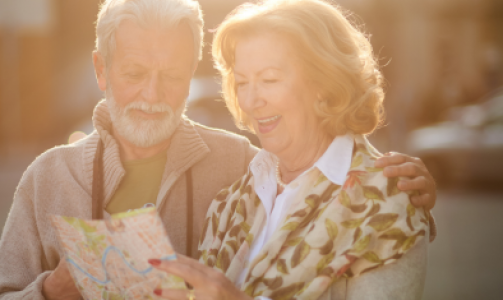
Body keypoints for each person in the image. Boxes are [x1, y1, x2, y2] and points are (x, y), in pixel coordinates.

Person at [0, 0, 436, 299]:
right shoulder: (47, 178)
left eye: (174, 75)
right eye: (135, 72)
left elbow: (339, 173)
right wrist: (49, 292)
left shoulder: (237, 164)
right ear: (101, 70)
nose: (153, 94)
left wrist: (397, 191)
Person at [150, 1, 434, 300]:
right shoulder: (229, 203)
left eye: (269, 79)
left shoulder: (386, 200)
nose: (250, 100)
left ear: (324, 82)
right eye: (242, 82)